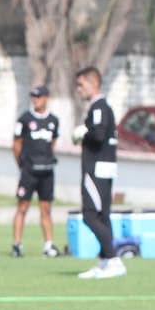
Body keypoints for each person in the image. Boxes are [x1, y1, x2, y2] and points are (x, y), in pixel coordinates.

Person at [71, 67, 125, 279]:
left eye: (81, 84)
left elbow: (99, 134)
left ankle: (113, 259)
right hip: (105, 167)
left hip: (96, 169)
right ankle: (105, 261)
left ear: (93, 84)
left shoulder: (99, 107)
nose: (78, 89)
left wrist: (83, 132)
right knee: (102, 216)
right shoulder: (100, 107)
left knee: (90, 215)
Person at [11, 85, 61, 258]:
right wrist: (22, 164)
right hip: (29, 171)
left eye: (38, 96)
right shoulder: (24, 119)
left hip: (46, 170)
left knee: (46, 208)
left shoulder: (53, 120)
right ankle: (17, 244)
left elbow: (53, 142)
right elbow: (16, 144)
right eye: (33, 96)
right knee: (22, 207)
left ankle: (49, 245)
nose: (35, 99)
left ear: (46, 98)